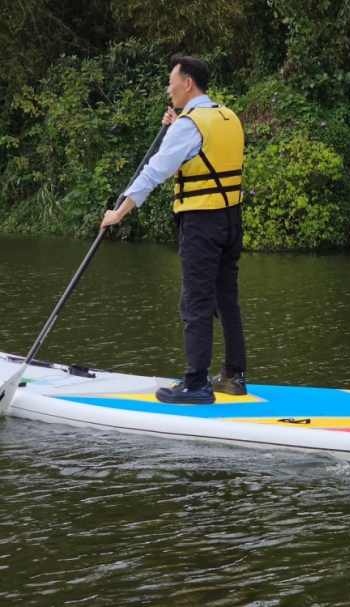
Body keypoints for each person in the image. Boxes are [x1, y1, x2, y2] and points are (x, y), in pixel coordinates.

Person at [101, 55, 248, 405]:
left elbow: (154, 172)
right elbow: (203, 154)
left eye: (171, 81)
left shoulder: (189, 124)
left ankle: (196, 383)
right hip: (231, 220)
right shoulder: (226, 116)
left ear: (187, 84)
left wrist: (119, 212)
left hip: (201, 222)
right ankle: (233, 376)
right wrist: (176, 125)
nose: (168, 88)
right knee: (225, 299)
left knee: (195, 301)